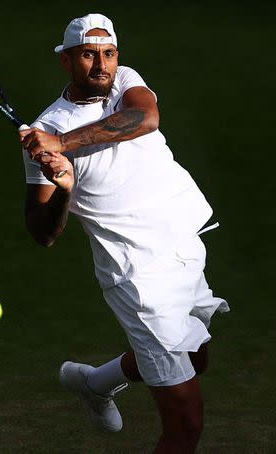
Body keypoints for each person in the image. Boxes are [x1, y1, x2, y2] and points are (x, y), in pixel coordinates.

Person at [18, 13, 229, 453]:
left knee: (197, 357)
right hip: (138, 277)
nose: (101, 65)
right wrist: (64, 190)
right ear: (67, 61)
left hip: (183, 245)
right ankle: (97, 385)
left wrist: (63, 146)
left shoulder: (122, 85)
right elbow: (42, 233)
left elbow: (145, 117)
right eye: (88, 54)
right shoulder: (48, 127)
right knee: (186, 427)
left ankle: (95, 384)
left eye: (109, 53)